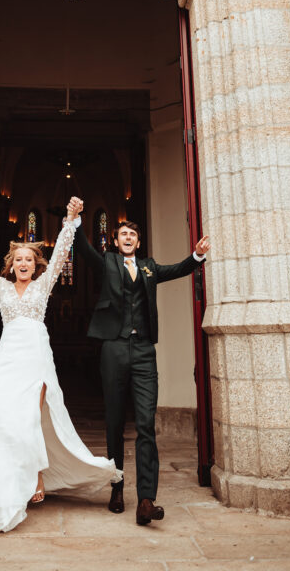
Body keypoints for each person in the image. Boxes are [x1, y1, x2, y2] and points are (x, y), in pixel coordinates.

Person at [0, 196, 120, 533]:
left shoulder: (43, 287)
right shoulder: (2, 288)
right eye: (18, 259)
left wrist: (70, 218)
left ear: (35, 266)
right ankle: (3, 485)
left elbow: (62, 251)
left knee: (31, 414)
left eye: (28, 259)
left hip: (35, 354)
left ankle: (35, 475)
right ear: (11, 264)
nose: (23, 263)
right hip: (8, 357)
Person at [74, 212, 210, 525]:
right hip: (114, 348)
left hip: (145, 350)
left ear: (138, 241)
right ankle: (117, 488)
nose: (127, 238)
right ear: (116, 239)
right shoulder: (107, 262)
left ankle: (146, 500)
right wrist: (76, 221)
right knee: (114, 422)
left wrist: (197, 256)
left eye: (132, 235)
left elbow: (178, 269)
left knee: (146, 423)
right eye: (122, 234)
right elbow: (84, 250)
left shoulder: (149, 267)